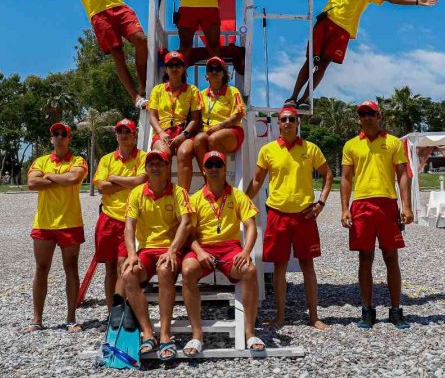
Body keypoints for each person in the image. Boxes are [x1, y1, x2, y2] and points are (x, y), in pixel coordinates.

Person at [4, 0, 161, 108]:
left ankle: (143, 85)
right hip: (98, 16)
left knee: (141, 40)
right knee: (117, 54)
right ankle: (135, 97)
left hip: (119, 8)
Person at [286, 0, 439, 108]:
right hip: (326, 22)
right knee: (310, 60)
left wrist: (416, 1)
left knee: (323, 64)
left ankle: (304, 100)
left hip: (343, 30)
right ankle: (293, 98)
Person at [246, 106, 333, 329]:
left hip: (304, 215)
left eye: (291, 119)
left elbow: (328, 175)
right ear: (278, 123)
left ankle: (314, 317)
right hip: (277, 214)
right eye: (283, 119)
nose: (287, 123)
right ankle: (280, 316)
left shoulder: (310, 148)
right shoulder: (268, 150)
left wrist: (321, 202)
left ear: (297, 123)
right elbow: (257, 181)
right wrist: (243, 201)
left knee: (307, 265)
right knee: (279, 267)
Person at [181, 151, 263, 356]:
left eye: (218, 164)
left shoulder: (238, 195)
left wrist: (246, 251)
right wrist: (199, 252)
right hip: (204, 248)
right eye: (210, 165)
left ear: (225, 168)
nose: (214, 168)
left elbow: (251, 226)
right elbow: (188, 235)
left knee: (249, 270)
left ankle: (250, 333)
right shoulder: (195, 198)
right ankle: (197, 335)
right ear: (203, 170)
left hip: (230, 248)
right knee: (188, 269)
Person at [340, 100, 412, 329]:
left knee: (391, 256)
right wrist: (344, 208)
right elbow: (346, 178)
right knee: (365, 258)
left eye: (371, 113)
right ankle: (367, 311)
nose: (367, 118)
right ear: (359, 119)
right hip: (361, 205)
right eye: (363, 114)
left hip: (387, 204)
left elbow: (402, 175)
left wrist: (406, 206)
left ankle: (395, 310)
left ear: (379, 117)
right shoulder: (351, 145)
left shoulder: (393, 142)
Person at [120, 149, 193, 362]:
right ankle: (148, 333)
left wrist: (172, 250)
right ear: (146, 168)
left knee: (165, 270)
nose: (155, 167)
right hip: (146, 250)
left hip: (170, 249)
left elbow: (186, 223)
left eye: (160, 163)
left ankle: (165, 335)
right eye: (151, 164)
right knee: (129, 274)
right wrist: (131, 254)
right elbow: (129, 226)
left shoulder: (178, 192)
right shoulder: (137, 193)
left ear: (167, 167)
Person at [25, 122, 89, 333]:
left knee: (71, 268)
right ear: (51, 138)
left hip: (70, 222)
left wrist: (49, 176)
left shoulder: (78, 160)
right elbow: (32, 183)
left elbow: (74, 178)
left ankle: (71, 318)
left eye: (63, 134)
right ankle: (37, 319)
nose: (59, 137)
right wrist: (62, 180)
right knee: (41, 268)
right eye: (56, 133)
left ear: (69, 138)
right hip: (44, 223)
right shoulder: (41, 160)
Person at [92, 118, 147, 312]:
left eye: (127, 131)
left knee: (124, 266)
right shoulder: (107, 159)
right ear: (115, 134)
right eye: (120, 131)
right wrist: (128, 182)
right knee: (109, 268)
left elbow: (141, 181)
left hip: (131, 220)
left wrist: (114, 179)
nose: (123, 135)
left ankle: (125, 309)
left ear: (134, 134)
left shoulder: (142, 157)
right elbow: (101, 187)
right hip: (108, 217)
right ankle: (112, 312)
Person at [148, 51, 202, 192]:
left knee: (184, 153)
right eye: (170, 65)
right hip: (162, 132)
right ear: (166, 69)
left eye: (178, 65)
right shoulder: (157, 90)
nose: (174, 68)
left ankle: (183, 196)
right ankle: (166, 194)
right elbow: (152, 116)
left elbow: (195, 119)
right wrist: (161, 133)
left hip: (184, 132)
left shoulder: (192, 90)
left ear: (183, 68)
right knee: (163, 155)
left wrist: (184, 135)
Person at [192, 57, 245, 165]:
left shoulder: (233, 91)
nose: (214, 72)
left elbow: (238, 115)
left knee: (214, 139)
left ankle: (220, 175)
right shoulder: (201, 94)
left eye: (218, 69)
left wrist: (220, 126)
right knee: (198, 140)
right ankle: (207, 175)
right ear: (206, 75)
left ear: (223, 73)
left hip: (230, 130)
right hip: (208, 131)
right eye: (210, 69)